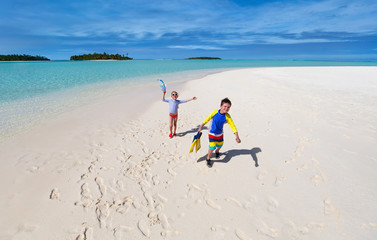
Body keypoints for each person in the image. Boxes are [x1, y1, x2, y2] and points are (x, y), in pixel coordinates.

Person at [197, 97, 241, 167]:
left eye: (228, 107)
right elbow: (207, 119)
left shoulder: (227, 116)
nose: (226, 108)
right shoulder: (214, 112)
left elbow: (233, 126)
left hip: (220, 133)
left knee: (220, 145)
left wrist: (237, 137)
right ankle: (208, 158)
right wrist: (200, 127)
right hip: (212, 133)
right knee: (212, 147)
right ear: (220, 106)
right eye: (225, 106)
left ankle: (217, 151)